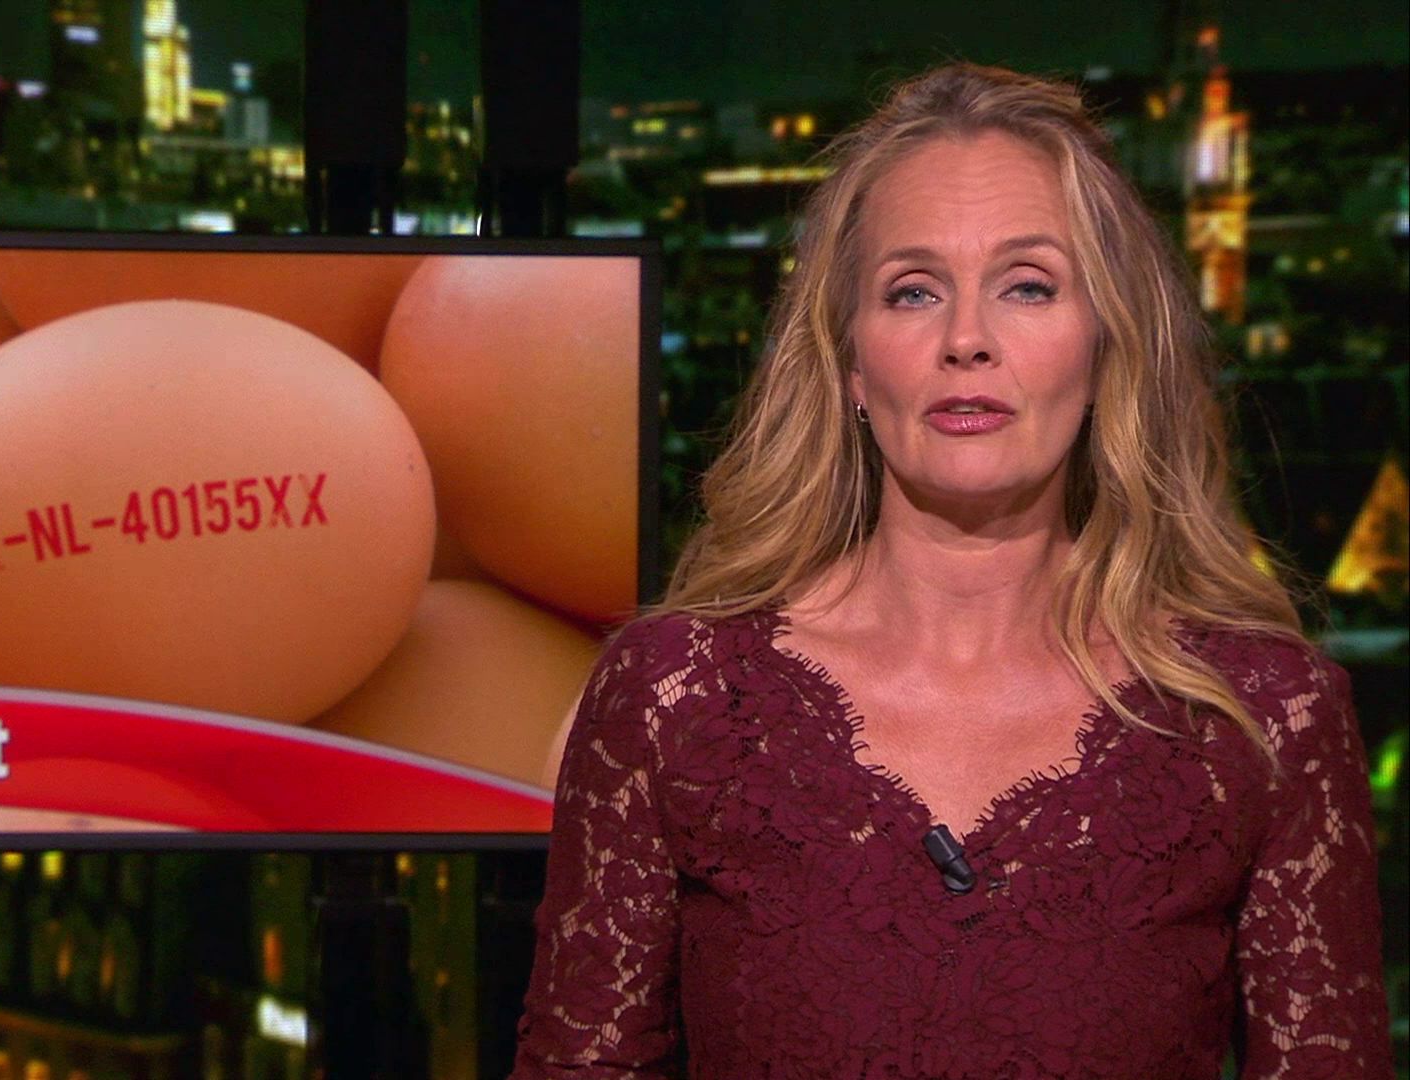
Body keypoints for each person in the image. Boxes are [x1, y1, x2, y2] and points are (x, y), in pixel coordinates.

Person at [511, 63, 1391, 1079]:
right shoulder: (673, 697)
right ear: (850, 362)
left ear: (1107, 348)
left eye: (1028, 286)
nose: (966, 340)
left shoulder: (1265, 716)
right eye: (914, 291)